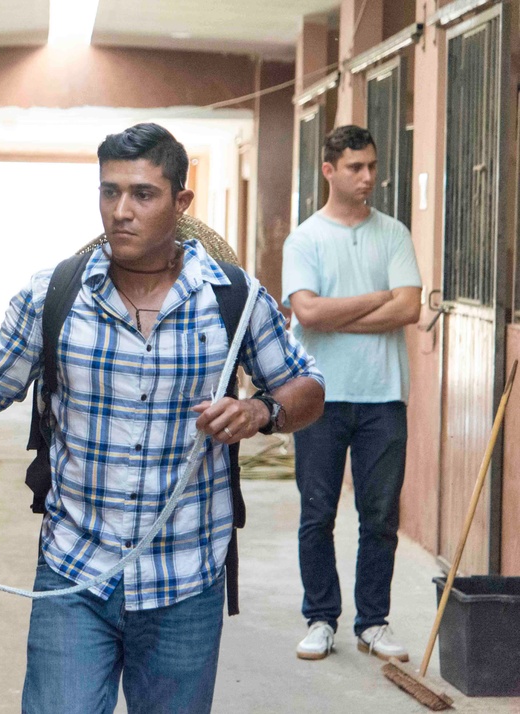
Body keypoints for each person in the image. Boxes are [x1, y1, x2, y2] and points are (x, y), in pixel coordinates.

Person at [0, 123, 325, 714]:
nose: (121, 211)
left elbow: (307, 387)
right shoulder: (54, 295)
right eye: (109, 192)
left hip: (187, 576)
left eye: (142, 194)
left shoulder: (234, 300)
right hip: (74, 573)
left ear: (181, 202)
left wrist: (262, 409)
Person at [282, 125, 422, 662]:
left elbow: (408, 309)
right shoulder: (306, 238)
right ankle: (320, 618)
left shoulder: (394, 233)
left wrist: (336, 315)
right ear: (329, 171)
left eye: (371, 166)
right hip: (317, 396)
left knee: (380, 516)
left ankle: (373, 622)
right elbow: (307, 312)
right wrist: (377, 298)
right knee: (317, 513)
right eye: (355, 167)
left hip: (384, 397)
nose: (367, 177)